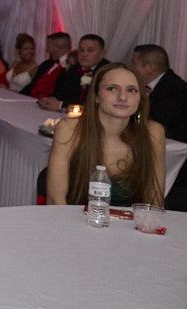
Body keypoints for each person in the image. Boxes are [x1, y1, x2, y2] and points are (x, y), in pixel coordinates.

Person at [46, 63, 165, 207]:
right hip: (73, 219)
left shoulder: (153, 132)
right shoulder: (70, 129)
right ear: (96, 96)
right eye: (112, 88)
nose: (122, 97)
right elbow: (55, 200)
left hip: (130, 220)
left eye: (132, 90)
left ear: (140, 98)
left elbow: (155, 202)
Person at [131, 44, 187, 143]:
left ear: (150, 68)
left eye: (134, 63)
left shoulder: (175, 90)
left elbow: (154, 123)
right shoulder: (148, 85)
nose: (130, 68)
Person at [38, 34, 108, 111]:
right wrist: (48, 100)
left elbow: (98, 106)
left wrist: (62, 105)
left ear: (102, 54)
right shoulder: (73, 69)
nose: (84, 54)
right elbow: (60, 93)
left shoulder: (107, 73)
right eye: (81, 50)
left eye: (90, 50)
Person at [20, 32, 71, 98]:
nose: (47, 50)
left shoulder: (71, 66)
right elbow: (33, 85)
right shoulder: (47, 64)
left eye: (48, 46)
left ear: (56, 48)